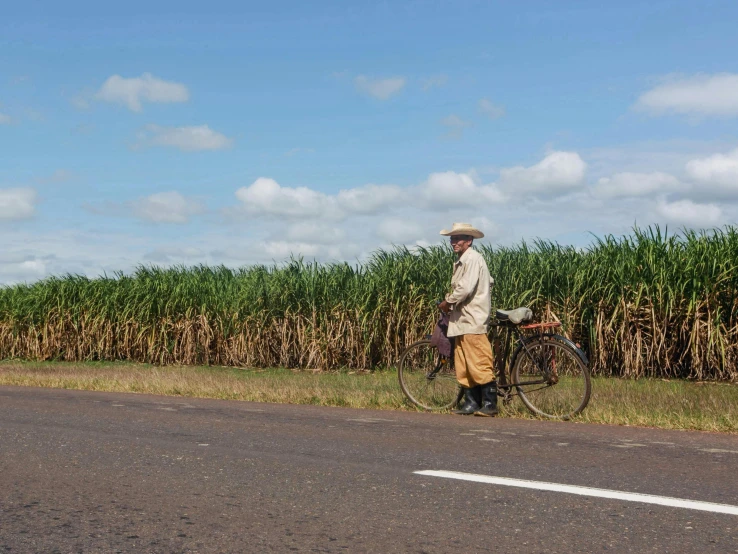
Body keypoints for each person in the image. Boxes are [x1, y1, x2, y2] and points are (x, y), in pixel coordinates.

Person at [437, 222, 498, 417]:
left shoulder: (472, 259)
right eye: (452, 238)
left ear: (469, 241)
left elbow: (464, 288)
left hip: (472, 319)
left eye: (458, 238)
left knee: (479, 360)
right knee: (464, 362)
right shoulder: (464, 260)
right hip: (463, 319)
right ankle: (471, 403)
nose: (453, 242)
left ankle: (490, 403)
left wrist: (448, 302)